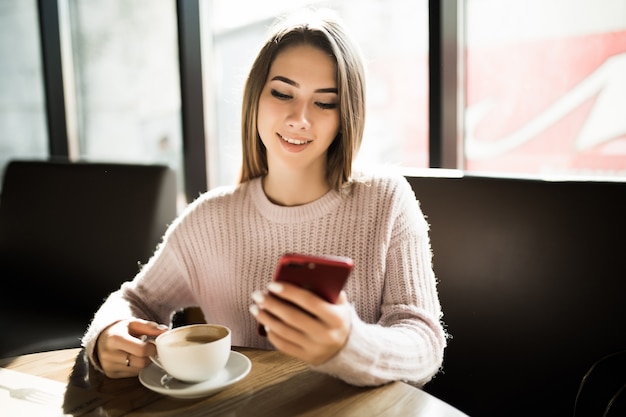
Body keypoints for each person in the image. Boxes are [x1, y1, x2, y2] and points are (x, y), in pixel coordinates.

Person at [82, 7, 447, 387]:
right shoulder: (207, 220)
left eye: (325, 102)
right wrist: (109, 333)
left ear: (346, 115)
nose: (299, 118)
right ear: (255, 97)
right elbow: (136, 300)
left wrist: (349, 342)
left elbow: (423, 343)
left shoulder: (387, 200)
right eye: (282, 93)